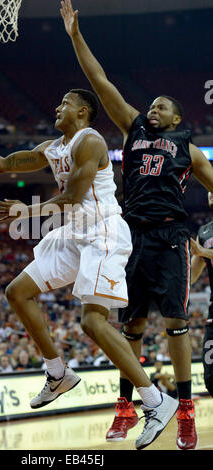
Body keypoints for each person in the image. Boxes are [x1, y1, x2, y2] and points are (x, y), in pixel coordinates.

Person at [0, 87, 178, 451]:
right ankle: (57, 373)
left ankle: (155, 401)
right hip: (75, 232)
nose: (56, 106)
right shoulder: (53, 148)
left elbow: (73, 196)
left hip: (103, 232)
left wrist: (27, 211)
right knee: (17, 291)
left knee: (92, 322)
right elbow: (5, 164)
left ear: (82, 111)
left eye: (64, 103)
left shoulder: (90, 141)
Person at [60, 0, 213, 450]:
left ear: (178, 118)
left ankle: (185, 413)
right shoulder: (134, 129)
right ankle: (128, 408)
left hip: (169, 238)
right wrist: (75, 36)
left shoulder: (190, 147)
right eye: (150, 104)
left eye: (161, 106)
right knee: (128, 329)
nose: (152, 108)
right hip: (130, 236)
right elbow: (99, 81)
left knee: (177, 325)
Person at [191, 192, 213, 399]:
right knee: (211, 378)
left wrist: (204, 252)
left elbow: (201, 253)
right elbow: (191, 275)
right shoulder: (204, 231)